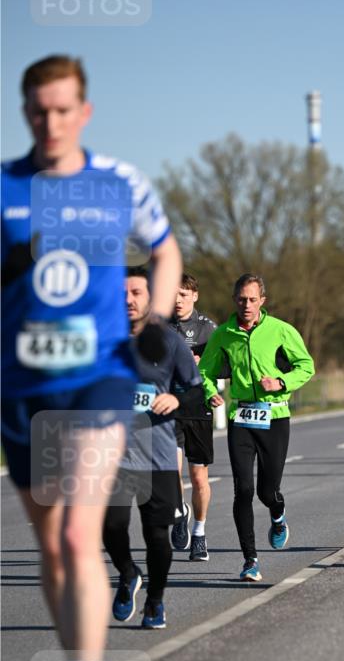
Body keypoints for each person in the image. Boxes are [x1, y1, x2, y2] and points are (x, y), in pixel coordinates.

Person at [1, 55, 181, 661]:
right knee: (52, 546)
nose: (51, 122)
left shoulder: (117, 183)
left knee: (79, 535)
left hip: (100, 378)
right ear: (25, 112)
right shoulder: (6, 186)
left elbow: (164, 252)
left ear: (85, 111)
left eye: (63, 109)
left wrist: (159, 318)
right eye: (38, 111)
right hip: (23, 386)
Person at [103, 268, 203, 629]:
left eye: (136, 292)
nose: (128, 300)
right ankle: (128, 573)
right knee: (111, 527)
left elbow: (195, 390)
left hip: (157, 457)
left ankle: (155, 601)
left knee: (156, 534)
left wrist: (176, 400)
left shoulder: (168, 341)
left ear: (150, 297)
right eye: (122, 294)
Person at [198, 273, 315, 581]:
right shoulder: (223, 335)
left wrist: (281, 382)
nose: (246, 305)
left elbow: (306, 366)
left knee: (267, 490)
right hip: (242, 419)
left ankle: (278, 515)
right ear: (234, 300)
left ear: (262, 300)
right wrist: (210, 393)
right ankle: (250, 560)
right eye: (241, 299)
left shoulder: (281, 331)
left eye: (252, 299)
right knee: (243, 489)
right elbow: (204, 371)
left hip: (275, 417)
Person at [168, 273, 219, 560]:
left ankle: (199, 532)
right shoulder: (160, 325)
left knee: (198, 478)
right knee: (170, 472)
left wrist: (204, 363)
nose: (177, 300)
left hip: (198, 409)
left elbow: (223, 366)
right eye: (173, 295)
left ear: (194, 296)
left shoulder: (208, 329)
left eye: (183, 295)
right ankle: (179, 513)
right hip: (169, 409)